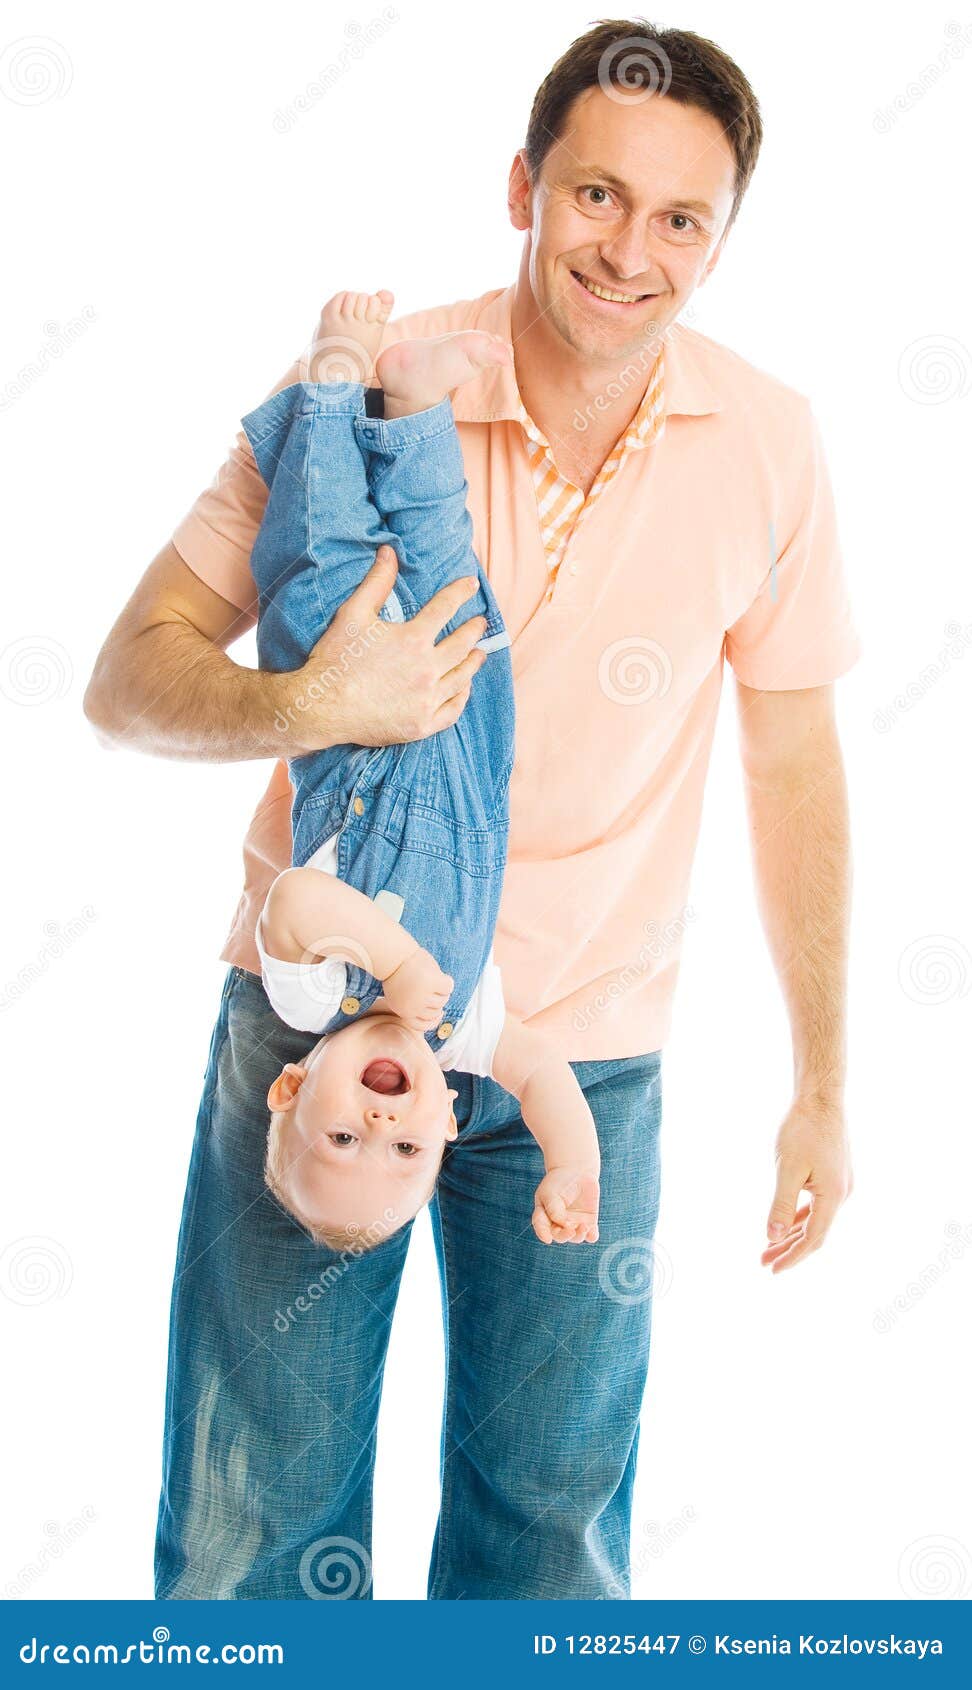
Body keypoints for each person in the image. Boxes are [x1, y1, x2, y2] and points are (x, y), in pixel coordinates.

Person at [85, 20, 860, 1600]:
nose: (628, 250)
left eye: (680, 220)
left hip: (590, 1042)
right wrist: (305, 710)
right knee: (254, 1525)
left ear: (720, 244)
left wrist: (825, 1084)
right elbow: (126, 678)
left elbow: (795, 765)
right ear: (523, 185)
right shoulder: (367, 399)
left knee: (551, 1541)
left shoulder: (770, 442)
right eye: (594, 194)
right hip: (319, 1040)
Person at [246, 289, 599, 1250]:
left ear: (293, 1085)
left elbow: (296, 909)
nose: (382, 1125)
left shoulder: (312, 1000)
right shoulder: (466, 1033)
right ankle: (411, 412)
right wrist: (573, 1164)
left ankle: (335, 377)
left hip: (344, 693)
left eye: (340, 1135)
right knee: (449, 568)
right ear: (448, 1120)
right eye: (403, 1152)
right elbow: (542, 1075)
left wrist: (396, 964)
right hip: (464, 733)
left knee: (323, 550)